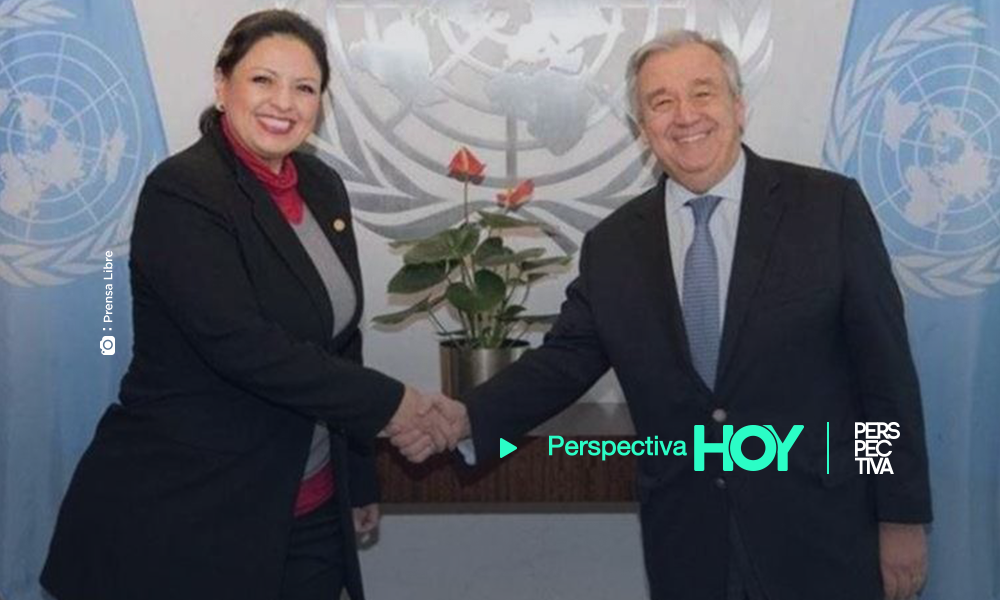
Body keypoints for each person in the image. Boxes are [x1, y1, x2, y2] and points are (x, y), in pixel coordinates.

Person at [392, 30, 932, 600]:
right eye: (661, 101)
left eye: (702, 93)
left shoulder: (828, 207)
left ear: (738, 106)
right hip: (689, 545)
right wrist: (466, 416)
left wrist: (900, 515)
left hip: (823, 536)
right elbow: (564, 362)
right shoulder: (614, 245)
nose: (685, 116)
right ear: (642, 127)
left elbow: (884, 379)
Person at [41, 9, 456, 600]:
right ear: (222, 84)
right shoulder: (184, 191)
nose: (283, 102)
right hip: (191, 513)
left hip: (312, 510)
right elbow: (243, 345)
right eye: (263, 80)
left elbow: (340, 340)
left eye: (304, 87)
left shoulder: (321, 187)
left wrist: (358, 478)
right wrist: (396, 405)